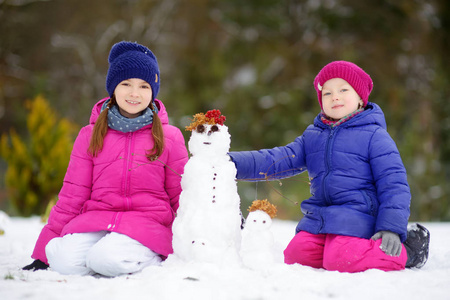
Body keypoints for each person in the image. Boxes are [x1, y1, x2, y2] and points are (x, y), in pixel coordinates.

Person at [228, 61, 430, 273]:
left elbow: (394, 183)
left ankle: (408, 252)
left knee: (340, 258)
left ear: (360, 98)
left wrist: (390, 227)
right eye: (327, 93)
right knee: (297, 254)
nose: (335, 96)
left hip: (360, 218)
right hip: (321, 219)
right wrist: (230, 163)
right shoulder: (313, 136)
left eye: (343, 90)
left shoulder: (375, 136)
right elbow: (276, 159)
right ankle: (336, 249)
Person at [23, 41, 188, 277]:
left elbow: (181, 195)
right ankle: (100, 253)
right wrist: (41, 255)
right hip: (97, 220)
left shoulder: (169, 136)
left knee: (104, 259)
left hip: (147, 224)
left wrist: (190, 245)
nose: (134, 93)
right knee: (60, 259)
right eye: (126, 84)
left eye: (143, 86)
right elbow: (72, 195)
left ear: (152, 91)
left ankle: (150, 256)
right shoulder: (90, 135)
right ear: (113, 88)